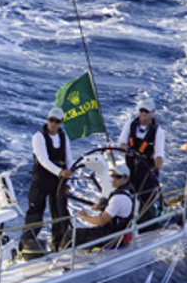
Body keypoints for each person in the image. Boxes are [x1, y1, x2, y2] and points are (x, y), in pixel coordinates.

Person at [23, 106, 73, 253]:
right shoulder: (38, 137)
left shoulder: (64, 137)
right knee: (35, 214)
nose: (54, 124)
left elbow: (69, 159)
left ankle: (59, 247)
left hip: (58, 183)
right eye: (51, 120)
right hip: (41, 182)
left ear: (62, 122)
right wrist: (60, 172)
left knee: (60, 214)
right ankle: (26, 248)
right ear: (47, 120)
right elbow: (43, 160)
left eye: (57, 121)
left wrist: (67, 182)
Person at [116, 96, 165, 219]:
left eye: (146, 111)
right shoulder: (130, 124)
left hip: (146, 172)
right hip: (130, 169)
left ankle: (147, 224)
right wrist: (127, 149)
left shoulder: (158, 131)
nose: (143, 114)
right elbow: (121, 143)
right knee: (125, 196)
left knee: (146, 201)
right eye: (141, 111)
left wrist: (157, 170)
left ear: (153, 113)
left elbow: (159, 154)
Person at [68, 160, 135, 248]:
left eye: (118, 177)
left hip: (110, 236)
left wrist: (84, 216)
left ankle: (59, 258)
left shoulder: (118, 198)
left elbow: (101, 221)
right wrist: (102, 206)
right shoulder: (128, 192)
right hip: (118, 233)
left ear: (126, 178)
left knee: (72, 235)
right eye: (112, 176)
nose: (113, 179)